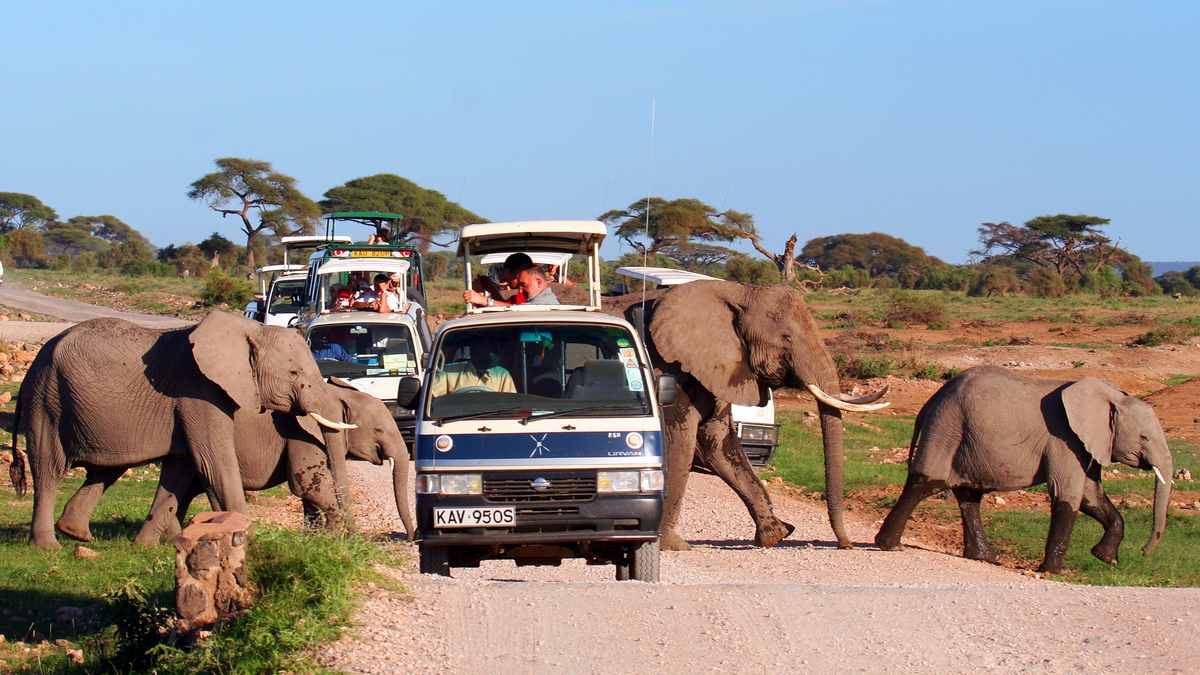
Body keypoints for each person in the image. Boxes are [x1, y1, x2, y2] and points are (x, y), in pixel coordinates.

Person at [430, 337, 516, 396]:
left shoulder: (502, 375)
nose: (498, 356)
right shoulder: (448, 372)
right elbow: (433, 401)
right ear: (477, 353)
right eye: (493, 351)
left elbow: (511, 405)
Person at [464, 252, 534, 308]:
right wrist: (491, 289)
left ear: (515, 273)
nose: (506, 278)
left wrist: (480, 297)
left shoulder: (521, 298)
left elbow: (508, 310)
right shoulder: (530, 295)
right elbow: (504, 305)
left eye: (506, 274)